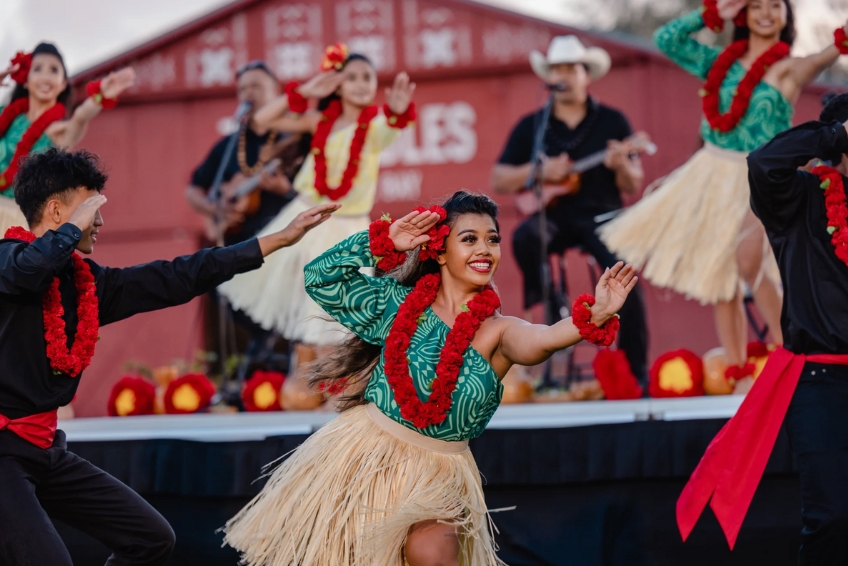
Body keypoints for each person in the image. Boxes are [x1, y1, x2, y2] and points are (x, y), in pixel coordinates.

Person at [223, 191, 639, 566]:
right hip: (361, 461)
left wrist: (595, 316)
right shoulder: (394, 304)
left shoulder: (498, 332)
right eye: (470, 238)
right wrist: (382, 243)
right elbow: (320, 278)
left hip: (439, 476)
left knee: (431, 551)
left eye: (492, 239)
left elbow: (546, 338)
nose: (485, 249)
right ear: (439, 252)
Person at [0, 146, 338, 565]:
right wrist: (72, 228)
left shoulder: (89, 285)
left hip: (45, 449)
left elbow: (178, 275)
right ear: (56, 211)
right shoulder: (8, 261)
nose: (101, 221)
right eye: (93, 209)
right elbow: (29, 270)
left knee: (151, 538)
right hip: (2, 453)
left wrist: (275, 241)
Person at [599, 0, 847, 387]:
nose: (766, 13)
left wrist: (840, 42)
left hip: (762, 177)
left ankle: (793, 351)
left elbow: (820, 57)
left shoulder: (787, 68)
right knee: (721, 278)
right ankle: (737, 371)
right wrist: (713, 12)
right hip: (712, 174)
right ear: (743, 14)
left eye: (775, 6)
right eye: (757, 5)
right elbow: (668, 39)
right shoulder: (719, 63)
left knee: (749, 261)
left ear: (786, 16)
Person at [677, 94, 848, 562]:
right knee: (832, 517)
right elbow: (763, 162)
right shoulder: (799, 198)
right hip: (822, 381)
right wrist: (834, 135)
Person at [217, 44, 416, 384]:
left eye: (367, 77)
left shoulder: (374, 127)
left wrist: (397, 113)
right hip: (306, 217)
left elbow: (390, 129)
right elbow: (260, 122)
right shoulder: (318, 121)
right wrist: (307, 91)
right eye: (350, 77)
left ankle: (332, 387)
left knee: (338, 312)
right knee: (304, 300)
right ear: (336, 84)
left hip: (349, 226)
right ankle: (304, 380)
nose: (360, 83)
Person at [492, 35, 649, 384]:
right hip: (556, 216)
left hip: (604, 217)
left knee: (626, 273)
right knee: (524, 236)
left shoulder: (612, 121)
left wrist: (621, 164)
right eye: (555, 69)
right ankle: (555, 307)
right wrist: (540, 172)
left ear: (586, 74)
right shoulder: (533, 124)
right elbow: (500, 177)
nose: (562, 74)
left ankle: (635, 372)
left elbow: (632, 184)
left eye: (569, 68)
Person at [185, 60, 308, 372]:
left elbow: (314, 194)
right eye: (243, 88)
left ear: (277, 92)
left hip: (284, 245)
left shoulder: (292, 140)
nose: (248, 93)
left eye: (256, 86)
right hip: (240, 243)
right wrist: (216, 209)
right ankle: (262, 343)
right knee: (215, 283)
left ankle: (283, 358)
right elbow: (193, 189)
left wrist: (284, 190)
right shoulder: (228, 145)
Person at [0, 42, 135, 233]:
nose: (46, 76)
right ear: (25, 79)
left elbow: (80, 117)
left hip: (21, 229)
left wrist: (100, 96)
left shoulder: (59, 131)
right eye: (38, 69)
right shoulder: (4, 117)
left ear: (63, 83)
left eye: (54, 70)